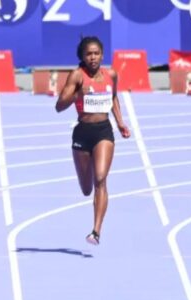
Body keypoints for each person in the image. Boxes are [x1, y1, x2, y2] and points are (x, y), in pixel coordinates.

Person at [55, 36, 131, 245]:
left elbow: (113, 97)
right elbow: (59, 106)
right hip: (82, 134)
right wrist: (78, 93)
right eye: (89, 54)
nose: (93, 57)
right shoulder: (77, 76)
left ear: (102, 54)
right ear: (82, 56)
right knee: (86, 188)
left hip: (103, 132)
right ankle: (93, 216)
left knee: (100, 179)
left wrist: (121, 122)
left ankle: (96, 231)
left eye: (96, 53)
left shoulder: (111, 74)